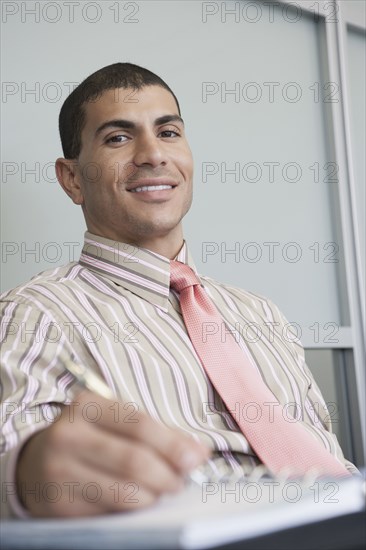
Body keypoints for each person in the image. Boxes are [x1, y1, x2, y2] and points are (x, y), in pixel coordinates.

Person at [0, 62, 358, 519]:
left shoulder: (261, 314)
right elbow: (13, 461)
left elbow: (327, 459)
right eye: (118, 137)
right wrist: (24, 478)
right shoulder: (36, 314)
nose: (153, 154)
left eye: (168, 132)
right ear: (72, 179)